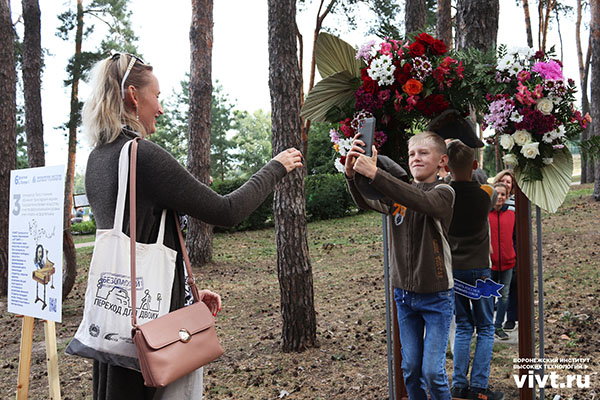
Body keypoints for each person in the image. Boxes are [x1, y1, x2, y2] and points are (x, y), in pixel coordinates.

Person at [79, 53, 303, 400]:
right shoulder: (142, 156)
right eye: (157, 96)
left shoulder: (98, 158)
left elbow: (138, 235)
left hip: (114, 320)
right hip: (155, 332)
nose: (160, 108)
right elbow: (227, 211)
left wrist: (184, 290)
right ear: (133, 96)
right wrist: (276, 168)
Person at [345, 131, 455, 400]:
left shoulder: (445, 193)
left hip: (437, 296)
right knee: (410, 369)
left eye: (424, 153)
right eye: (411, 154)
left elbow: (421, 201)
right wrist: (351, 175)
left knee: (432, 372)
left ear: (442, 161)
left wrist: (376, 174)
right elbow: (367, 201)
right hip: (404, 296)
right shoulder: (399, 197)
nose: (416, 158)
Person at [446, 140, 503, 400]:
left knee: (463, 326)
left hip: (455, 270)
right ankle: (479, 387)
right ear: (475, 164)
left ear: (446, 166)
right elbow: (487, 183)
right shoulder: (485, 194)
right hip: (480, 269)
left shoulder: (444, 194)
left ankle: (459, 385)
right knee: (486, 327)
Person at [489, 183, 516, 341]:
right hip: (489, 264)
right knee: (488, 296)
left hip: (508, 262)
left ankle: (498, 326)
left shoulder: (512, 215)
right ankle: (487, 326)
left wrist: (514, 255)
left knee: (504, 296)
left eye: (503, 194)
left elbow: (515, 238)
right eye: (497, 194)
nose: (499, 197)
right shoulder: (485, 215)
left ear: (507, 197)